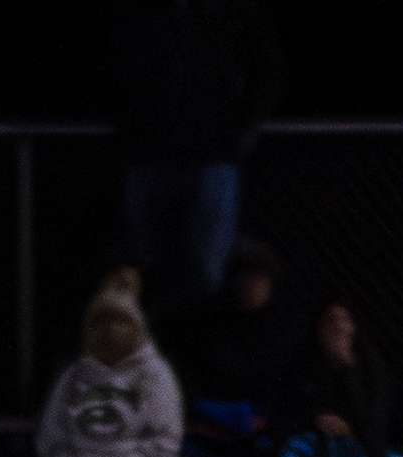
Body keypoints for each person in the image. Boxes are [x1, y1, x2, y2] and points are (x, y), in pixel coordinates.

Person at [108, 0, 282, 313]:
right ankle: (162, 344)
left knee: (207, 270)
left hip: (211, 152)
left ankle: (196, 339)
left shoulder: (226, 12)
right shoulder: (143, 14)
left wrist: (241, 131)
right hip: (149, 151)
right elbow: (118, 60)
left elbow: (264, 62)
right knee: (144, 266)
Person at [33, 291, 184, 457]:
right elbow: (51, 437)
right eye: (101, 322)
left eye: (120, 321)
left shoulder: (156, 376)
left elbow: (165, 441)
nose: (110, 329)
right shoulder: (73, 376)